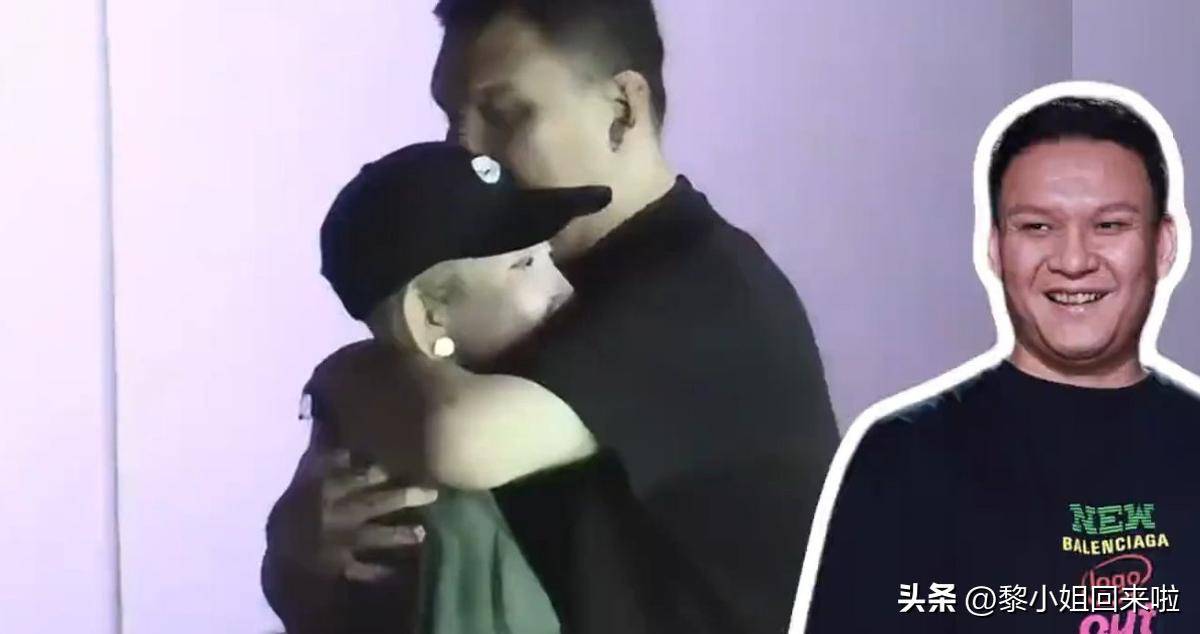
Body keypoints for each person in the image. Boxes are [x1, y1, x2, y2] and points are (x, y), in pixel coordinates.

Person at [265, 1, 841, 633]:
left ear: (621, 109)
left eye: (503, 115)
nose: (465, 151)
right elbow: (314, 587)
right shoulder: (487, 288)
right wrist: (301, 547)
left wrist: (347, 371)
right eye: (452, 118)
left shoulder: (708, 292)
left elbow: (459, 441)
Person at [804, 94, 1200, 633]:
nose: (1073, 261)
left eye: (1109, 225)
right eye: (1037, 227)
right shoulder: (904, 460)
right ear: (994, 248)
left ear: (1163, 245)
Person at [263, 141, 611, 633]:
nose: (565, 288)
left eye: (547, 255)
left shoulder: (362, 415)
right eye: (524, 266)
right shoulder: (436, 502)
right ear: (428, 315)